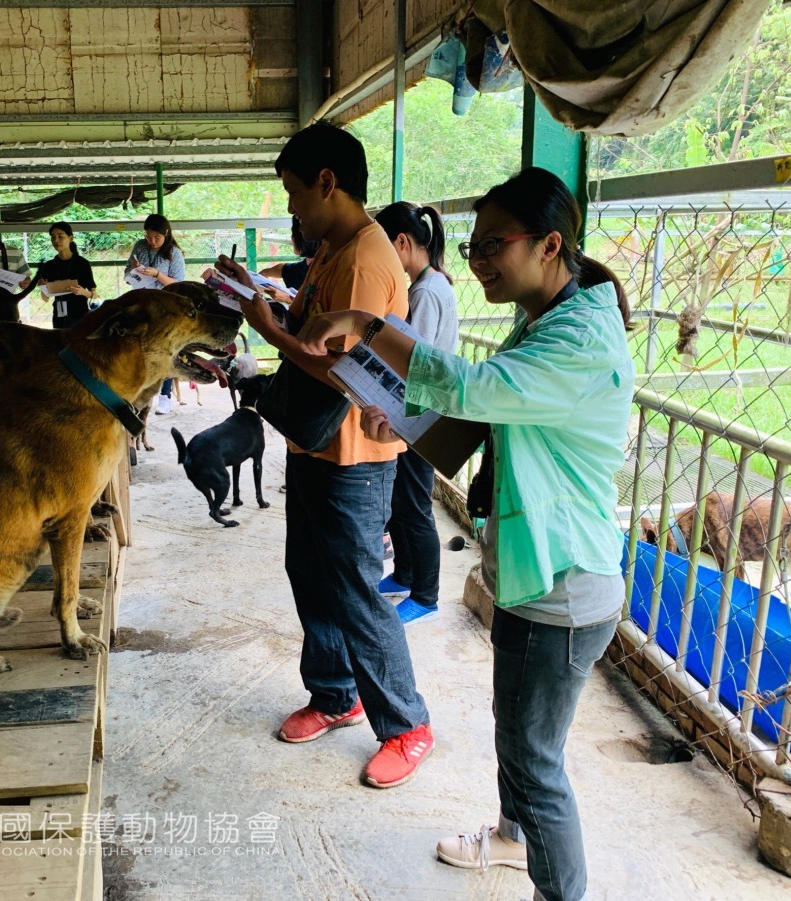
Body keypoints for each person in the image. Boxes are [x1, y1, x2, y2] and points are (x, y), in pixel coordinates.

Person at [294, 167, 635, 901]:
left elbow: (475, 388)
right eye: (474, 243)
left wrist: (365, 325)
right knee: (518, 737)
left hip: (562, 581)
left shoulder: (577, 337)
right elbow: (487, 419)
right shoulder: (547, 316)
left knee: (536, 762)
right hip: (534, 571)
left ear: (550, 245)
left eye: (493, 245)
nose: (479, 259)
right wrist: (408, 422)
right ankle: (515, 839)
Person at [215, 121, 433, 790]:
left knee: (358, 588)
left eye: (293, 192)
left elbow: (343, 372)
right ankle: (335, 693)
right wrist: (264, 298)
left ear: (327, 183)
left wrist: (266, 329)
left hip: (356, 457)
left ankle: (407, 725)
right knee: (310, 572)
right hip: (314, 446)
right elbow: (315, 328)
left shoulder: (366, 257)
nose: (291, 208)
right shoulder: (336, 251)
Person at [373, 202, 458, 625]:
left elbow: (413, 357)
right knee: (403, 503)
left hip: (421, 413)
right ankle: (405, 573)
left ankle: (426, 595)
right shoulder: (431, 282)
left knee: (414, 507)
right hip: (419, 408)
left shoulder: (424, 291)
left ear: (402, 243)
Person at [125, 214, 186, 414]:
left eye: (156, 238)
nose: (151, 242)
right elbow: (127, 273)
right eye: (148, 237)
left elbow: (178, 284)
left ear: (166, 234)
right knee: (141, 348)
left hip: (164, 308)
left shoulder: (174, 253)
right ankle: (140, 390)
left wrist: (157, 274)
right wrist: (135, 271)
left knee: (165, 349)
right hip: (142, 303)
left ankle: (165, 395)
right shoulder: (140, 246)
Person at [33, 221, 97, 329]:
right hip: (59, 316)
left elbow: (94, 295)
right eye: (53, 237)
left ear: (70, 238)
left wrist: (83, 292)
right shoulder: (49, 266)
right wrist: (43, 287)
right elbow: (45, 298)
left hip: (80, 315)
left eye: (60, 236)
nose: (56, 241)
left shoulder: (82, 264)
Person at [259, 215, 319, 299]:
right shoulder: (305, 266)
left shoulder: (321, 271)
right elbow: (284, 269)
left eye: (294, 233)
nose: (291, 237)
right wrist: (263, 274)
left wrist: (287, 298)